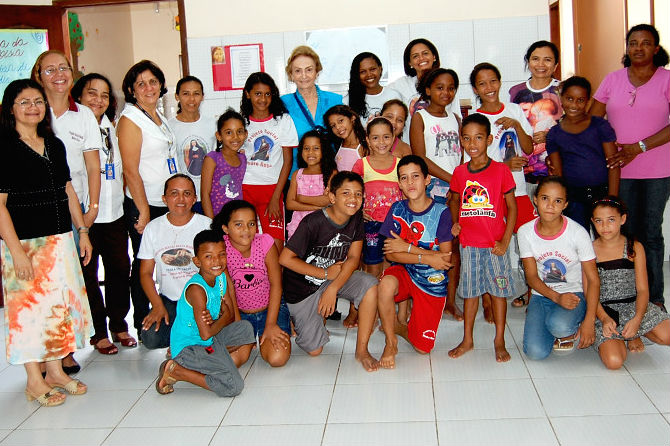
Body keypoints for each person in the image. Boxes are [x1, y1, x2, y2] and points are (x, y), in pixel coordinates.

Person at [0, 79, 92, 406]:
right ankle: (33, 380)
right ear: (10, 108)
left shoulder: (54, 144)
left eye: (38, 101)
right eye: (24, 102)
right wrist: (16, 254)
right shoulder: (5, 147)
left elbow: (67, 190)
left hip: (60, 239)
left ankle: (55, 371)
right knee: (28, 313)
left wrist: (81, 231)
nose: (33, 107)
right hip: (24, 244)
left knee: (58, 307)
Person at [591, 24, 670, 310]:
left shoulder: (666, 80)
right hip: (617, 171)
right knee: (623, 234)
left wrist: (638, 147)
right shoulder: (612, 80)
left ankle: (655, 299)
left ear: (656, 49)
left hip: (657, 171)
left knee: (650, 233)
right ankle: (625, 298)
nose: (638, 48)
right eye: (633, 42)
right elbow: (593, 121)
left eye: (645, 43)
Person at [31, 50, 101, 373]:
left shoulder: (83, 114)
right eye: (50, 69)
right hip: (33, 212)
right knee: (41, 285)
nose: (58, 74)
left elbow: (91, 167)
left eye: (64, 68)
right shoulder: (32, 112)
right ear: (38, 75)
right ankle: (45, 352)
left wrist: (91, 211)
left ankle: (67, 349)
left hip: (74, 207)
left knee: (70, 282)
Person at [279, 171, 380, 372]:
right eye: (346, 193)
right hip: (302, 288)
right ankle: (295, 316)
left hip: (331, 278)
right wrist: (324, 275)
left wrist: (332, 289)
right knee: (314, 350)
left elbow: (353, 259)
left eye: (358, 194)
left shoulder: (356, 217)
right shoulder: (313, 222)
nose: (353, 199)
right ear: (332, 197)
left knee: (370, 285)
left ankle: (362, 350)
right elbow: (285, 259)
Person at [71, 73, 135, 354]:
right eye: (91, 93)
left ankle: (119, 323)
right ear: (79, 96)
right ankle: (98, 331)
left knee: (120, 269)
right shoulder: (72, 127)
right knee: (87, 272)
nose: (98, 100)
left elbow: (119, 169)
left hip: (114, 212)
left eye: (105, 95)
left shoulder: (112, 126)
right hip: (84, 214)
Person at [448, 113, 518, 362]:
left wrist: (506, 241)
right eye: (466, 138)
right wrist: (455, 222)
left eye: (478, 137)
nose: (472, 144)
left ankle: (499, 339)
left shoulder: (501, 171)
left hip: (495, 246)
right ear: (461, 142)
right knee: (470, 293)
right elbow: (454, 199)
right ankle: (467, 339)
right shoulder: (459, 172)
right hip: (469, 247)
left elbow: (512, 208)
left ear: (488, 139)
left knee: (498, 294)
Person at [118, 60, 179, 336]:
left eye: (153, 81)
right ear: (132, 90)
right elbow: (130, 169)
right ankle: (143, 321)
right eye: (141, 83)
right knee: (144, 264)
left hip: (163, 202)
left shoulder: (158, 116)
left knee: (166, 259)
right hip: (144, 205)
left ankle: (166, 315)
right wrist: (142, 209)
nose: (148, 87)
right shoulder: (130, 119)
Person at [155, 230, 255, 396]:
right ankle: (178, 371)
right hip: (190, 347)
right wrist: (225, 315)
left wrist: (223, 317)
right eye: (208, 256)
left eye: (221, 254)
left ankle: (213, 360)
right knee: (234, 386)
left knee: (245, 329)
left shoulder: (221, 277)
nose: (217, 261)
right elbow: (206, 333)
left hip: (210, 339)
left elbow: (228, 320)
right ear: (197, 261)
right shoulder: (197, 290)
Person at [377, 155, 454, 368]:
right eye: (404, 178)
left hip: (432, 279)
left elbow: (445, 259)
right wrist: (425, 255)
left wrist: (406, 247)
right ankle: (390, 341)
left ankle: (402, 327)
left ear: (427, 179)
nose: (410, 183)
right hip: (405, 271)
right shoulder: (397, 209)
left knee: (422, 349)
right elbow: (391, 254)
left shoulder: (442, 212)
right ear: (399, 183)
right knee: (384, 286)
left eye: (416, 176)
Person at [518, 176, 600, 360]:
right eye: (545, 198)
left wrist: (589, 320)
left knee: (559, 325)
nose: (550, 205)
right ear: (535, 199)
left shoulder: (578, 233)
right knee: (535, 353)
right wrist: (556, 297)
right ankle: (553, 323)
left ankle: (569, 325)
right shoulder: (525, 232)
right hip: (542, 295)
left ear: (565, 205)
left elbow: (593, 279)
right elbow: (531, 277)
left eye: (558, 201)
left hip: (575, 294)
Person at [591, 196, 670, 369]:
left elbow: (642, 289)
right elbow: (589, 292)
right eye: (599, 221)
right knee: (614, 362)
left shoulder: (634, 247)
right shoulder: (589, 250)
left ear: (623, 219)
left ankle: (635, 333)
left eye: (611, 220)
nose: (605, 226)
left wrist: (637, 319)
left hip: (635, 306)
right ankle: (622, 337)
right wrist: (604, 319)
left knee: (667, 336)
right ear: (592, 222)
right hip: (606, 312)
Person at [409, 68, 463, 320]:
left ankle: (450, 301)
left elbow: (460, 156)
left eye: (451, 87)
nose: (446, 92)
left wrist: (459, 183)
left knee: (452, 246)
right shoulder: (420, 117)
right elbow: (420, 158)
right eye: (439, 87)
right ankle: (427, 296)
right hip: (433, 189)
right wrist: (452, 179)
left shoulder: (455, 117)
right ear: (428, 90)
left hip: (457, 191)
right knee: (429, 245)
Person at [214, 201, 291, 367]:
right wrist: (238, 324)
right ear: (226, 229)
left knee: (277, 358)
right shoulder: (222, 249)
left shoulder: (265, 243)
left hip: (270, 309)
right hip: (240, 313)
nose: (246, 230)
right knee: (233, 361)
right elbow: (229, 291)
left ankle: (275, 327)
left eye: (251, 224)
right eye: (238, 225)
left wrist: (270, 324)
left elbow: (277, 285)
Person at [138, 174, 211, 349]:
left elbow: (218, 270)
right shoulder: (153, 228)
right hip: (169, 300)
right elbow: (145, 273)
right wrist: (157, 305)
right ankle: (186, 339)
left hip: (202, 299)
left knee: (210, 330)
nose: (180, 199)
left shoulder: (206, 225)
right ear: (164, 199)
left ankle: (184, 341)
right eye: (174, 193)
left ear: (194, 199)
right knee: (151, 338)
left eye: (187, 193)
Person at [546, 76, 619, 230]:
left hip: (602, 194)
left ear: (588, 102)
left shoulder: (600, 125)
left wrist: (612, 199)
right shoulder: (554, 134)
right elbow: (558, 173)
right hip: (573, 199)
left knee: (607, 238)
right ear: (561, 98)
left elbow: (613, 164)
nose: (574, 104)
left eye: (580, 100)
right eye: (569, 99)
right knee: (579, 241)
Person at [240, 72, 298, 253]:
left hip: (272, 189)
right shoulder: (241, 122)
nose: (263, 99)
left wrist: (275, 197)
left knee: (275, 247)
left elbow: (288, 161)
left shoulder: (282, 121)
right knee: (247, 244)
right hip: (245, 188)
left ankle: (277, 281)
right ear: (248, 94)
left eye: (267, 94)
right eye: (258, 93)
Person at [509, 40, 563, 196]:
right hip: (523, 170)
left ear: (555, 65)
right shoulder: (516, 92)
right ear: (528, 61)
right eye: (535, 58)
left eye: (547, 59)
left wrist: (550, 135)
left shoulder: (562, 89)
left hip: (556, 167)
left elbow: (573, 127)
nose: (541, 64)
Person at [352, 117, 402, 279]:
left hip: (395, 225)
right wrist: (358, 211)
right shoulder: (361, 164)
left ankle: (384, 301)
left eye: (386, 136)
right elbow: (352, 192)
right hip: (370, 225)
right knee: (372, 268)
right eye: (375, 137)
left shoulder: (400, 165)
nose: (381, 142)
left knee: (391, 268)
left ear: (393, 137)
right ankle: (371, 301)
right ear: (367, 140)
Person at [281, 45, 343, 175]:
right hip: (297, 174)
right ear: (291, 75)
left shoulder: (335, 101)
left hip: (331, 172)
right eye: (298, 71)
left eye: (309, 70)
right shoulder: (283, 104)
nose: (304, 76)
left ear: (317, 72)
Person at [169, 76, 217, 214]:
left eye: (196, 94)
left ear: (202, 96)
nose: (191, 99)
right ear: (177, 96)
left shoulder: (212, 124)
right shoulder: (169, 127)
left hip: (208, 195)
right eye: (186, 94)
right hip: (182, 198)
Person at [286, 130, 337, 239]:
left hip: (323, 226)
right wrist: (316, 207)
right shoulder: (297, 174)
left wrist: (300, 198)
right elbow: (290, 204)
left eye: (316, 148)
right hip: (298, 227)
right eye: (306, 148)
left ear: (324, 150)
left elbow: (327, 201)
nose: (310, 152)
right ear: (301, 151)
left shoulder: (331, 173)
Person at [201, 109, 247, 218]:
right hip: (217, 218)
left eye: (239, 131)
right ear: (219, 136)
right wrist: (211, 223)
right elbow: (205, 195)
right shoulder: (212, 158)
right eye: (229, 132)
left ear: (245, 134)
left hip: (236, 219)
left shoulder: (243, 158)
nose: (235, 137)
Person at [388, 38, 441, 126]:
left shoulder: (445, 81)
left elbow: (456, 115)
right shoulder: (402, 84)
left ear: (434, 56)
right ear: (410, 63)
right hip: (410, 139)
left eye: (425, 53)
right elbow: (380, 92)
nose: (421, 58)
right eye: (415, 56)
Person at [345, 52, 401, 125]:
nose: (369, 74)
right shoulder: (347, 101)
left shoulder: (394, 96)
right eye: (363, 72)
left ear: (380, 69)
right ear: (357, 75)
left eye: (372, 69)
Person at [326, 104, 369, 172]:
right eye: (333, 126)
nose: (337, 127)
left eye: (340, 121)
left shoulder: (365, 145)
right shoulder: (336, 146)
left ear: (352, 118)